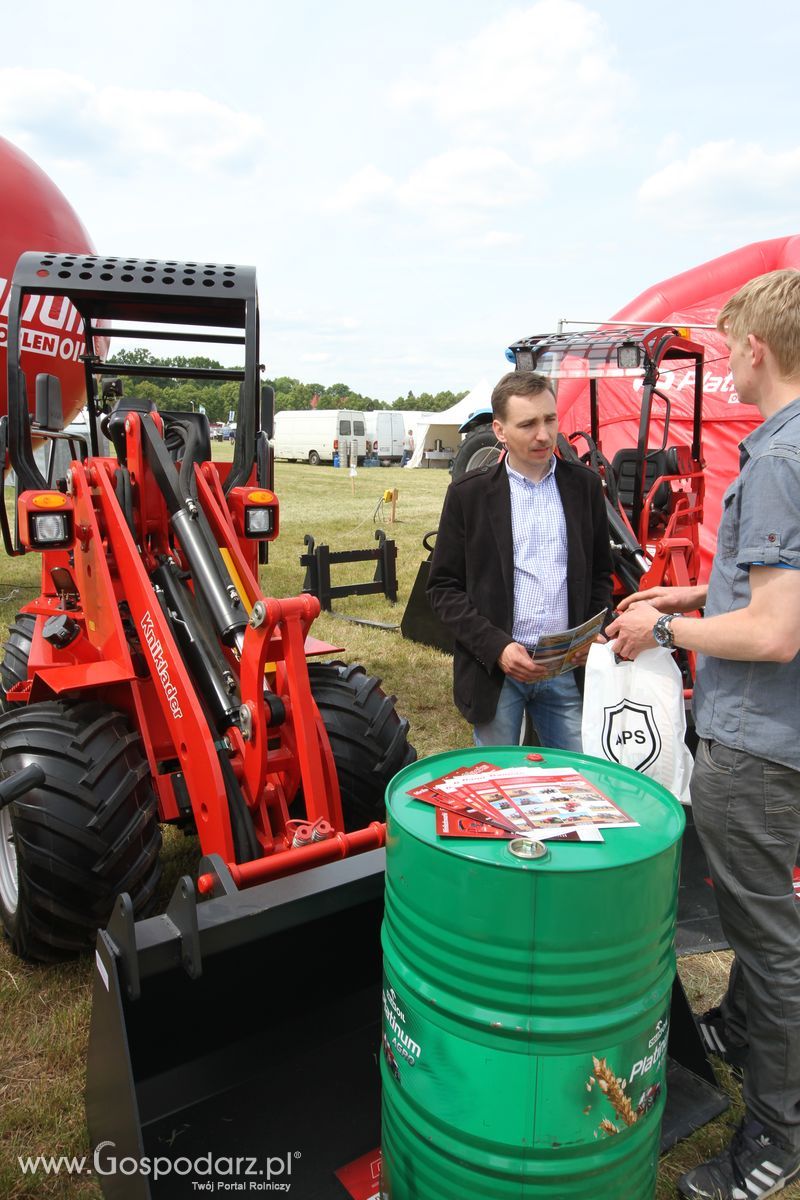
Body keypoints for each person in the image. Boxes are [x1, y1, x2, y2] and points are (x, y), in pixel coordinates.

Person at [607, 268, 800, 1200]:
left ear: (758, 349)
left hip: (761, 749)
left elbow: (772, 632)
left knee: (770, 941)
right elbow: (770, 592)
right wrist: (688, 591)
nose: (724, 364)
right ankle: (738, 1027)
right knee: (771, 932)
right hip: (783, 739)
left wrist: (664, 629)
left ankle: (777, 1135)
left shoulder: (775, 461)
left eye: (729, 348)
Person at [427, 370, 612, 750]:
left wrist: (589, 633)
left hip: (565, 669)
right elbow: (444, 589)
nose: (543, 435)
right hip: (497, 673)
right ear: (499, 430)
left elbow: (600, 574)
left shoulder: (585, 488)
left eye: (550, 419)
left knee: (577, 777)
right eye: (527, 424)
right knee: (499, 782)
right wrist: (496, 647)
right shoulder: (469, 496)